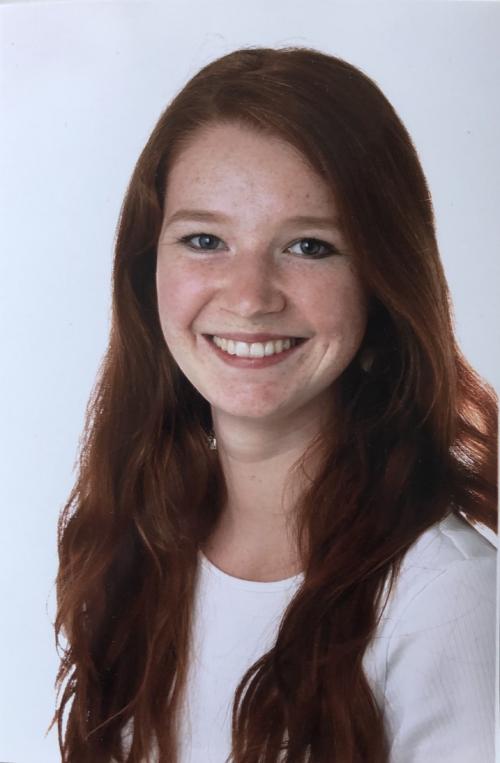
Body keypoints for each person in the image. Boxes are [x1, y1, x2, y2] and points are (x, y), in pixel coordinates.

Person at [51, 47, 497, 763]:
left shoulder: (446, 599)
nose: (251, 296)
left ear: (382, 280)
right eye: (205, 240)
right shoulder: (136, 544)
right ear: (146, 268)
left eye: (309, 246)